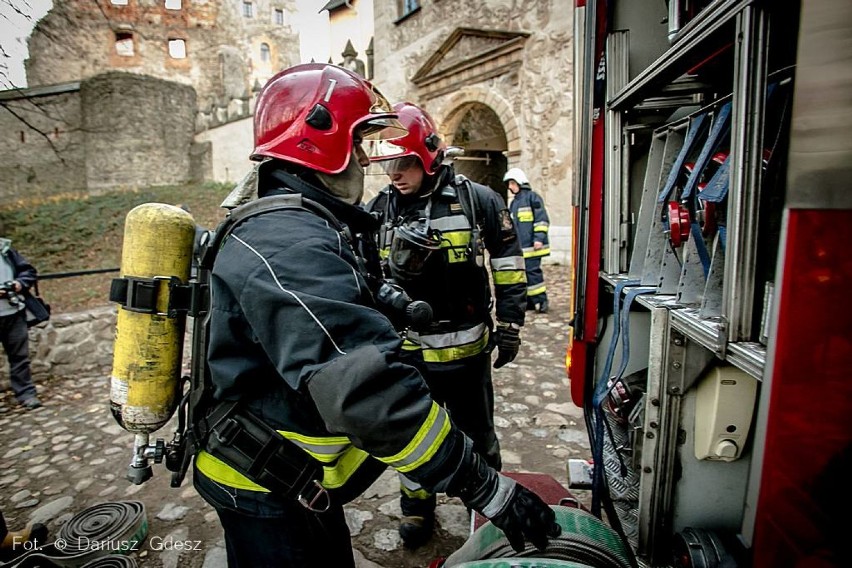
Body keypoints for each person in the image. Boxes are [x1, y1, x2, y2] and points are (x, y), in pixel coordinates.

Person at [191, 64, 559, 567]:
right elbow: (365, 391)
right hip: (263, 484)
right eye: (360, 142)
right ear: (322, 141)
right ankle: (420, 506)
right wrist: (489, 491)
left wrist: (408, 305)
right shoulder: (289, 243)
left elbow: (355, 284)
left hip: (292, 478)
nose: (370, 160)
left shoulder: (305, 225)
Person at [366, 102, 528, 548]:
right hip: (409, 353)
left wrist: (511, 324)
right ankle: (417, 509)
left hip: (467, 354)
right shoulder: (377, 210)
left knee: (479, 434)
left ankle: (489, 511)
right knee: (415, 434)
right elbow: (365, 277)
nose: (394, 174)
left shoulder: (479, 200)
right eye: (387, 165)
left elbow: (510, 266)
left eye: (403, 162)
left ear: (429, 155)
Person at [0, 231, 42, 410]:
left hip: (14, 312)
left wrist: (19, 284)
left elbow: (28, 271)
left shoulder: (6, 250)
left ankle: (26, 393)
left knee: (20, 357)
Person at [504, 168, 551, 313]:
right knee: (524, 275)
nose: (510, 187)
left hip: (533, 246)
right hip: (521, 247)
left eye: (512, 183)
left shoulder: (533, 198)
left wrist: (539, 239)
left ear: (520, 182)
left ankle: (542, 301)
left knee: (533, 274)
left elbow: (541, 220)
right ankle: (530, 301)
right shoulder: (514, 203)